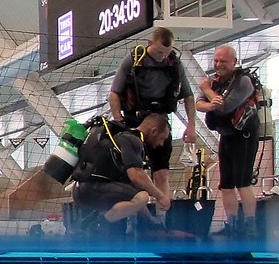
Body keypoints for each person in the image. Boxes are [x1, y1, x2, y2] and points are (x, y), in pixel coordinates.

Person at [108, 27, 197, 220]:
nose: (162, 57)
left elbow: (189, 96)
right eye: (159, 52)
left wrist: (191, 125)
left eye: (166, 53)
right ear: (150, 44)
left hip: (160, 123)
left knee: (162, 174)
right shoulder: (134, 60)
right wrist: (118, 120)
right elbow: (114, 93)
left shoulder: (174, 62)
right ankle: (133, 219)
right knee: (133, 174)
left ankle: (162, 220)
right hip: (134, 122)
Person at [196, 45, 260, 238]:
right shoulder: (215, 82)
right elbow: (200, 105)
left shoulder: (243, 82)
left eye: (223, 61)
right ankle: (231, 223)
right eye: (216, 60)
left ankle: (250, 225)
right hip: (226, 135)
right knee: (226, 183)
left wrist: (207, 90)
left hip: (244, 137)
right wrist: (210, 102)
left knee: (243, 181)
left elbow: (224, 108)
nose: (218, 65)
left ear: (234, 62)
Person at [72, 113, 172, 233]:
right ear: (154, 131)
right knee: (142, 197)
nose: (161, 144)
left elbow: (133, 190)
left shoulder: (120, 136)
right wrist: (161, 196)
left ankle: (95, 221)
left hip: (80, 189)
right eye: (162, 139)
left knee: (138, 195)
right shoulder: (133, 140)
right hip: (91, 189)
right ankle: (97, 222)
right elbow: (136, 176)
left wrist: (150, 220)